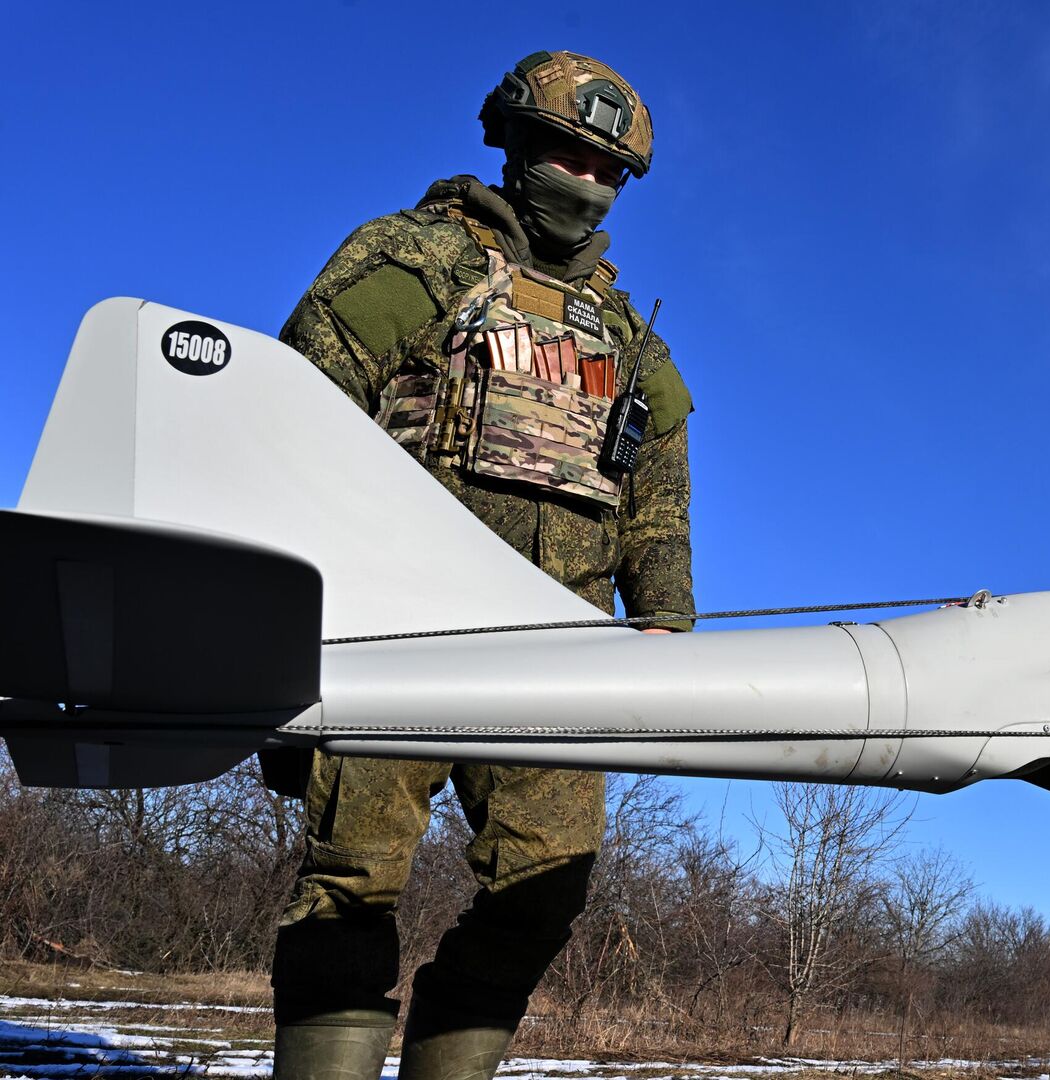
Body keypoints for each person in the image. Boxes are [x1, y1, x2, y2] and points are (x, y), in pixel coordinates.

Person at [268, 50, 693, 1080]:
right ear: (509, 142)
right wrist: (276, 639)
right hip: (391, 636)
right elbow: (289, 430)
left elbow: (657, 506)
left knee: (546, 889)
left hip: (557, 661)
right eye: (564, 154)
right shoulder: (411, 263)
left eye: (607, 171)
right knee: (350, 886)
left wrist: (667, 631)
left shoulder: (631, 342)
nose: (583, 184)